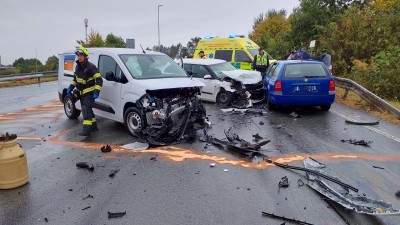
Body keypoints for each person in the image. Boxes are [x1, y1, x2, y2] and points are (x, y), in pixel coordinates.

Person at [66, 46, 103, 136]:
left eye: (81, 55)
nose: (79, 57)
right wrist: (70, 87)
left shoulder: (91, 67)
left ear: (85, 56)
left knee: (85, 109)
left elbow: (99, 80)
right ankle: (94, 127)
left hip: (89, 93)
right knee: (88, 110)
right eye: (78, 55)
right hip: (81, 93)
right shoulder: (78, 67)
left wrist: (96, 92)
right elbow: (75, 79)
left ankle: (86, 130)